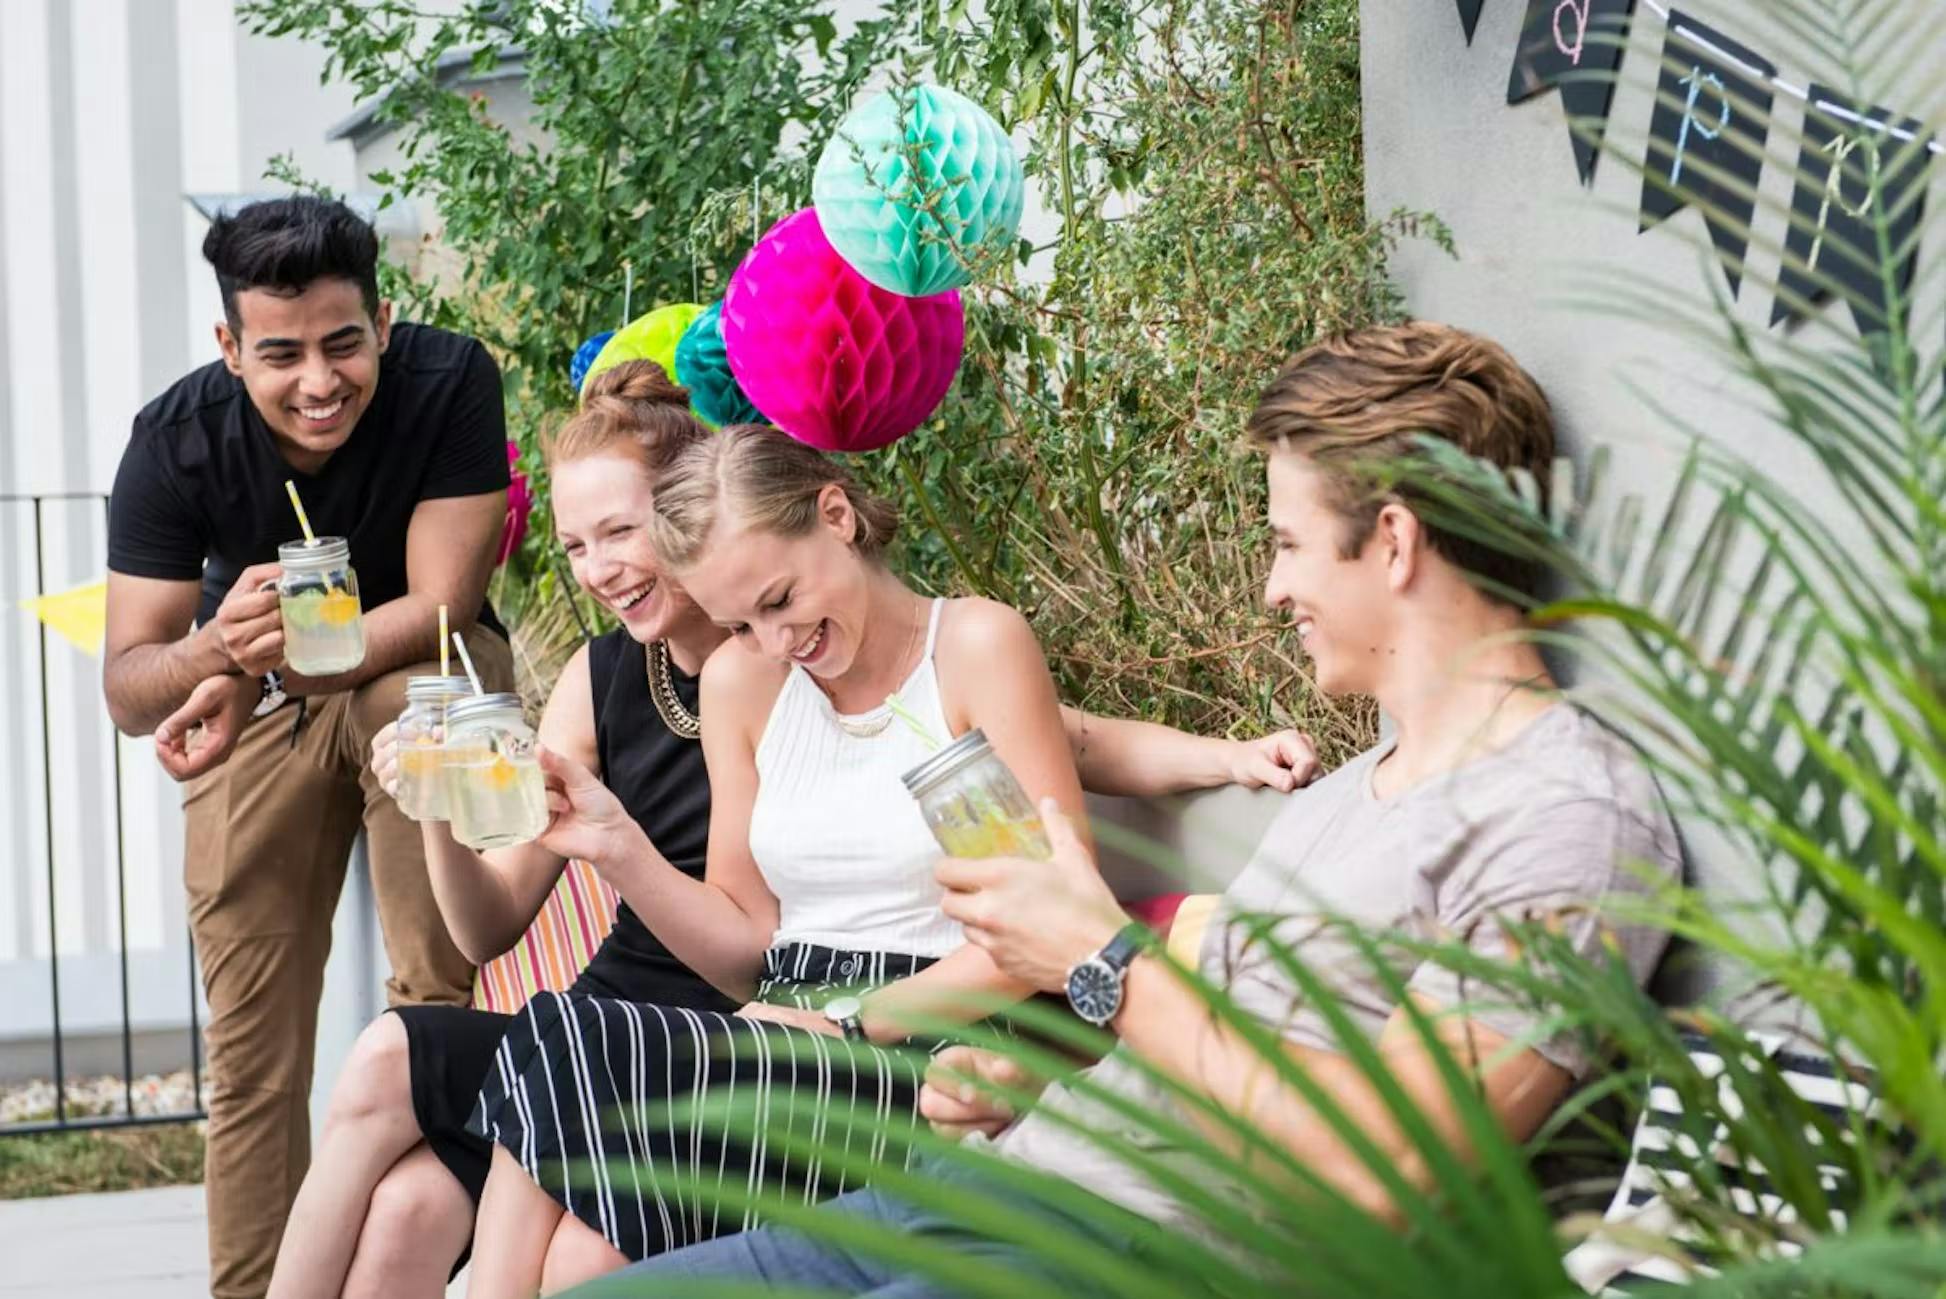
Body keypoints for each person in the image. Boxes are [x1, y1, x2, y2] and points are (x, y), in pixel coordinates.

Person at [588, 321, 1683, 1297]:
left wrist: (1101, 957)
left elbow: (1394, 1167)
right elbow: (1227, 1028)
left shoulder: (1564, 815)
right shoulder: (1352, 794)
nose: (1272, 588)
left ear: (1392, 542)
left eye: (1288, 543)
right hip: (1002, 1184)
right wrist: (1039, 1075)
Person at [252, 371, 1316, 1299]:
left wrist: (849, 1022)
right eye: (743, 619)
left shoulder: (976, 646)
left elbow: (1050, 919)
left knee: (559, 1033)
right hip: (781, 1035)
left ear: (836, 515)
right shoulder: (744, 681)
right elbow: (745, 950)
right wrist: (615, 838)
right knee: (579, 1252)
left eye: (779, 598)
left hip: (917, 1037)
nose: (776, 639)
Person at [104, 195, 514, 1299]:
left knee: (436, 1007)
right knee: (252, 1052)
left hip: (410, 681)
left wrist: (267, 668)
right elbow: (130, 687)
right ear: (231, 347)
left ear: (383, 323)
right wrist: (211, 656)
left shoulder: (448, 381)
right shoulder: (176, 440)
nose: (319, 382)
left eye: (343, 344)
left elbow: (441, 604)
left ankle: (415, 1270)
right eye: (281, 354)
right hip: (256, 705)